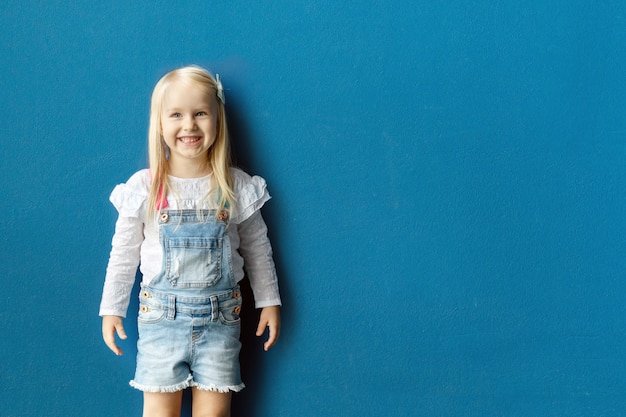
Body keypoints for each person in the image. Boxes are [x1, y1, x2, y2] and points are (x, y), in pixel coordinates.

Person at [99, 65, 281, 417]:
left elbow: (258, 248)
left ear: (217, 119)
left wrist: (269, 300)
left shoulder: (236, 186)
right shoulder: (144, 187)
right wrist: (112, 308)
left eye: (200, 113)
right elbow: (123, 255)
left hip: (221, 323)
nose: (189, 125)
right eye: (177, 115)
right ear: (161, 124)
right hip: (160, 323)